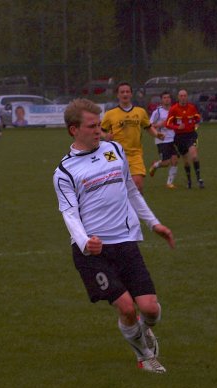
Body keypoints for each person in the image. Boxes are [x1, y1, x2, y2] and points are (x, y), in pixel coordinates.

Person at [53, 98, 175, 373]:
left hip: (125, 242)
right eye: (91, 126)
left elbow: (131, 191)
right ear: (74, 130)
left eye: (99, 125)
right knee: (127, 308)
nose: (99, 130)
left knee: (150, 309)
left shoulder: (114, 150)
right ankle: (144, 357)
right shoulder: (64, 171)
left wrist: (154, 224)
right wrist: (85, 242)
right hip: (93, 252)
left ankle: (143, 330)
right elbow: (69, 213)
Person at [101, 82, 163, 193]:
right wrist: (105, 136)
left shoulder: (140, 112)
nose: (125, 94)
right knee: (117, 188)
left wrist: (157, 134)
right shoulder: (110, 114)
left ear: (131, 94)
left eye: (127, 92)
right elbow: (100, 130)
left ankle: (137, 204)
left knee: (138, 185)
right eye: (122, 92)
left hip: (135, 154)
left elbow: (148, 127)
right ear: (118, 95)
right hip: (114, 154)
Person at [166, 89, 204, 189]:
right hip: (180, 137)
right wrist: (177, 127)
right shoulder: (174, 109)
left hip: (191, 135)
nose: (183, 98)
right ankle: (189, 181)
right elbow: (167, 124)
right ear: (178, 97)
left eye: (185, 96)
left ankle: (199, 179)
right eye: (181, 96)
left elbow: (197, 117)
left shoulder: (192, 107)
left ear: (187, 97)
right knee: (186, 161)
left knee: (194, 156)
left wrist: (197, 123)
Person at [148, 91, 179, 189]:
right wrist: (159, 125)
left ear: (171, 99)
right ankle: (155, 165)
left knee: (175, 160)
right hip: (162, 139)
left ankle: (169, 183)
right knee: (166, 162)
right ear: (161, 100)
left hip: (173, 139)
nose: (166, 99)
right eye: (164, 98)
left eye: (168, 97)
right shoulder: (157, 112)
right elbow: (149, 125)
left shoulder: (174, 110)